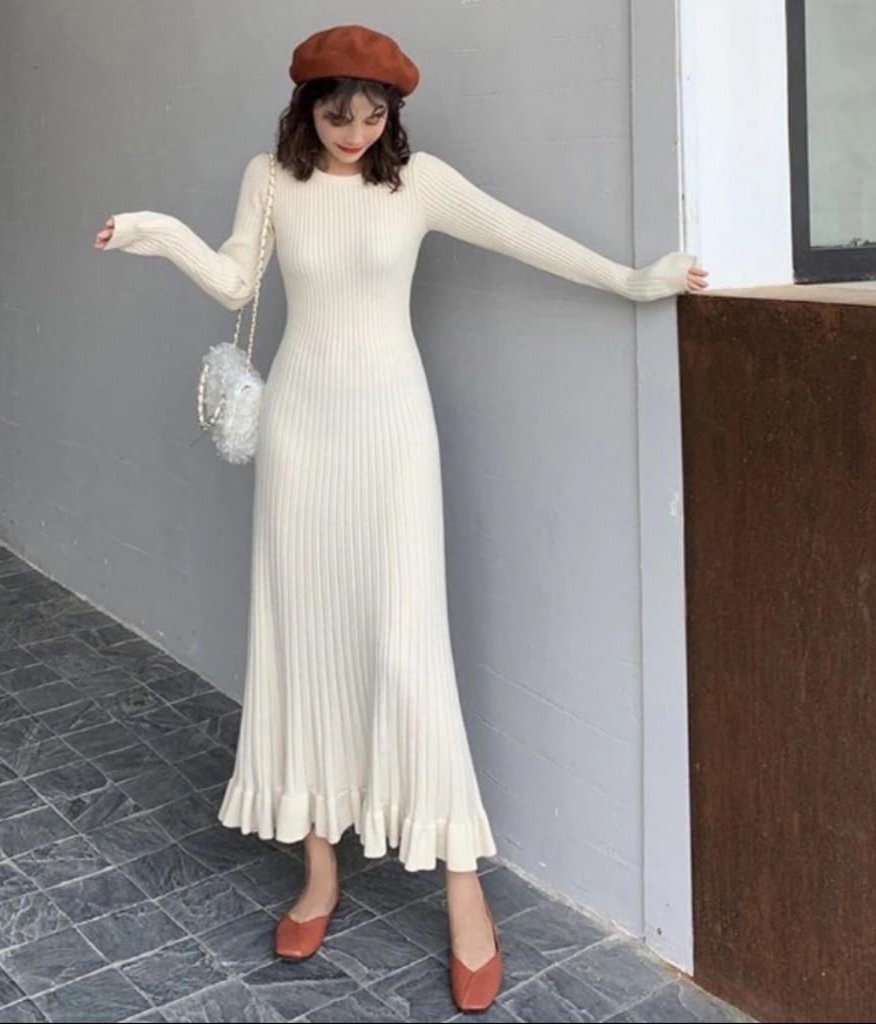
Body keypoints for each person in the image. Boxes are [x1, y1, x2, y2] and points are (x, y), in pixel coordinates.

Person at [95, 23, 708, 1013]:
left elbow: (523, 235)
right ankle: (319, 872)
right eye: (337, 113)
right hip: (299, 436)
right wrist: (152, 232)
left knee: (406, 650)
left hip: (392, 435)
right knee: (300, 642)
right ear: (306, 108)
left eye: (372, 115)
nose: (354, 131)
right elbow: (237, 280)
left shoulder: (417, 183)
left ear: (392, 114)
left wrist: (636, 280)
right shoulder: (270, 178)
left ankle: (465, 893)